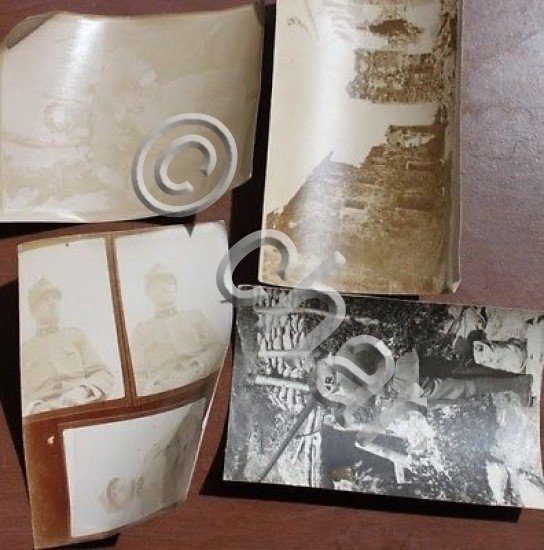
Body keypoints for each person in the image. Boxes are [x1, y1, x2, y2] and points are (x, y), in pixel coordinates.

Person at [21, 277, 114, 416]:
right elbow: (20, 394)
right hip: (44, 417)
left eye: (55, 298)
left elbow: (102, 373)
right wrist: (34, 408)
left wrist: (83, 391)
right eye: (45, 299)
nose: (52, 303)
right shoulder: (24, 350)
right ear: (32, 309)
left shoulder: (75, 335)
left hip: (82, 408)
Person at [131, 264, 223, 396]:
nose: (163, 288)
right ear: (148, 293)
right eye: (156, 285)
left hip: (201, 385)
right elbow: (138, 373)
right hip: (164, 392)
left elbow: (217, 347)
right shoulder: (142, 331)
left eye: (168, 282)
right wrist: (150, 390)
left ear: (176, 288)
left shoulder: (195, 317)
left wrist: (198, 366)